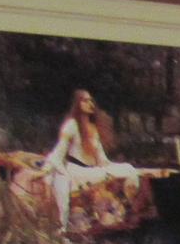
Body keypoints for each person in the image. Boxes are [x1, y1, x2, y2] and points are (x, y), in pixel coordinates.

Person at [37, 89, 144, 231]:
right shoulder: (71, 125)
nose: (90, 103)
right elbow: (59, 151)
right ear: (78, 104)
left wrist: (118, 168)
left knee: (129, 169)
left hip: (92, 170)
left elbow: (102, 160)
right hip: (75, 170)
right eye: (85, 100)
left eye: (91, 100)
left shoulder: (94, 128)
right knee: (102, 175)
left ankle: (127, 204)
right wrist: (44, 170)